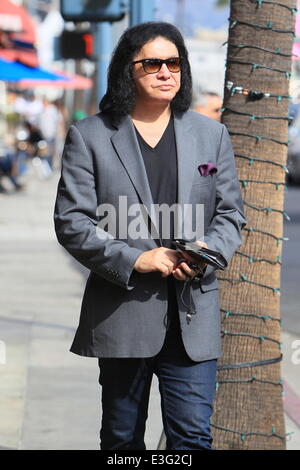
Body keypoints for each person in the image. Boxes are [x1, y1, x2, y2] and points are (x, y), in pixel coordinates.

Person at [54, 22, 246, 450]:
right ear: (128, 69)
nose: (166, 72)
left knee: (193, 439)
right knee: (122, 440)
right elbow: (72, 221)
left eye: (174, 62)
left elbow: (231, 213)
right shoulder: (91, 137)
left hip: (193, 314)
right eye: (153, 63)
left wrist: (206, 253)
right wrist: (135, 259)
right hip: (123, 312)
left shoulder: (210, 135)